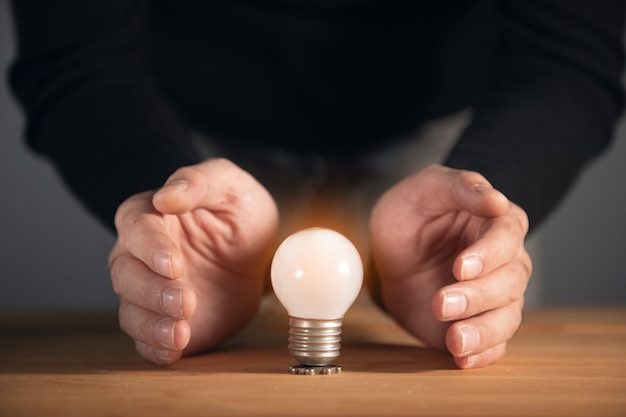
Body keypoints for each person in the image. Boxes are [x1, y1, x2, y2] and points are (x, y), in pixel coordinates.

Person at [7, 1, 626, 369]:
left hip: (445, 162)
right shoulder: (182, 203)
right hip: (191, 164)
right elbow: (74, 52)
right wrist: (161, 201)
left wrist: (488, 193)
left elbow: (571, 49)